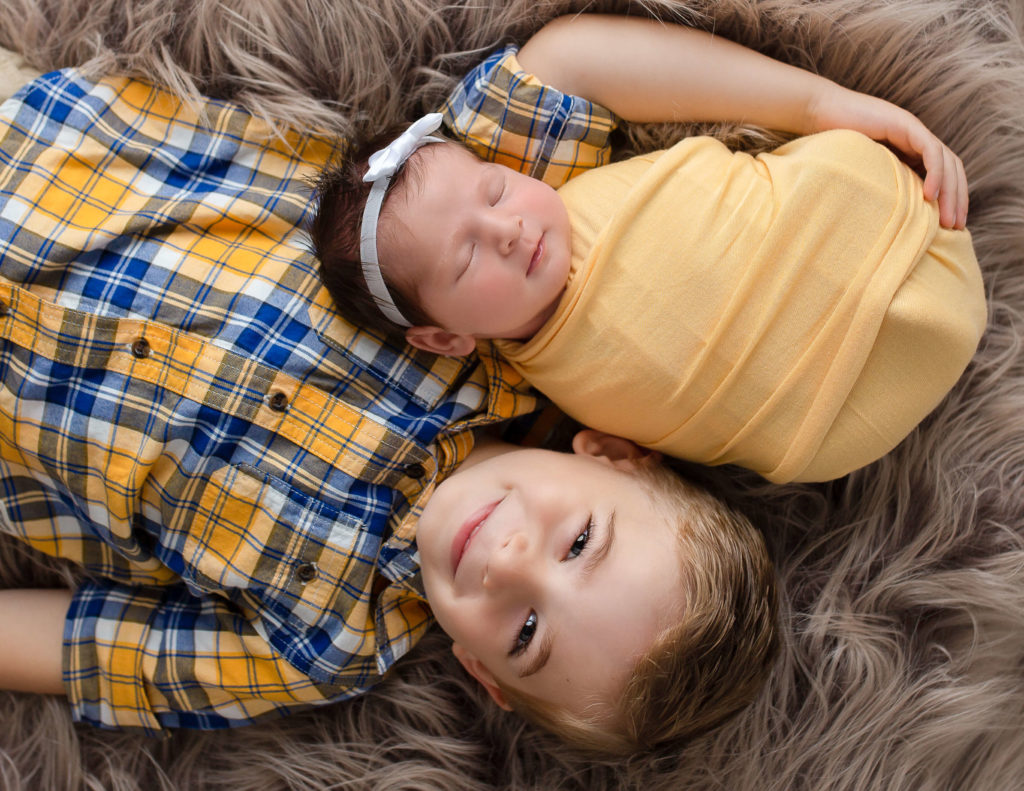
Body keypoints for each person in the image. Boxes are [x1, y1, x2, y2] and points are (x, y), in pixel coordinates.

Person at [0, 16, 776, 754]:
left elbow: (94, 648)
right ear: (609, 452)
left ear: (484, 672)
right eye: (577, 542)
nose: (507, 565)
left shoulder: (323, 645)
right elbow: (570, 68)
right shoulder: (501, 327)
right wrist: (819, 102)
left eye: (526, 633)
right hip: (43, 153)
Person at [314, 15, 986, 484]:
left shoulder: (559, 172)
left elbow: (572, 51)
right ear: (444, 338)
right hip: (832, 424)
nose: (507, 229)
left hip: (889, 224)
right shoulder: (525, 400)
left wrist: (822, 104)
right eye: (466, 259)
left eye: (495, 192)